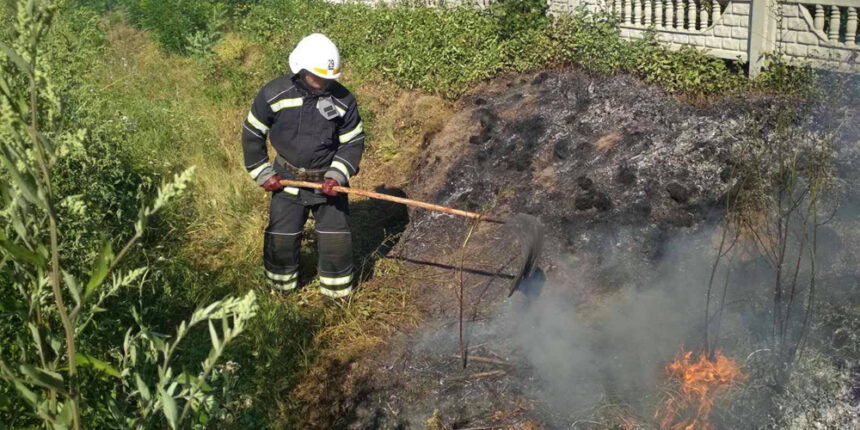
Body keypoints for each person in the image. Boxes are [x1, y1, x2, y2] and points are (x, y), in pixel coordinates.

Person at [241, 34, 364, 298]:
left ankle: (337, 298)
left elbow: (353, 142)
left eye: (329, 79)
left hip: (328, 183)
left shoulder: (344, 101)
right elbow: (252, 133)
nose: (323, 84)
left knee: (336, 241)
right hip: (286, 180)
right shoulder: (274, 94)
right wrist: (263, 173)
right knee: (281, 238)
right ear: (301, 69)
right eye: (317, 78)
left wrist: (337, 176)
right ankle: (280, 294)